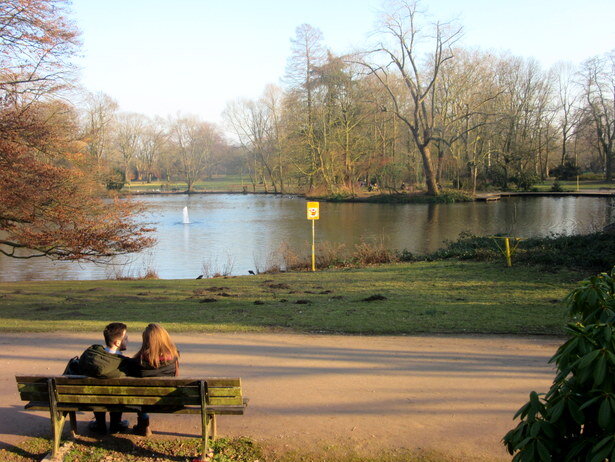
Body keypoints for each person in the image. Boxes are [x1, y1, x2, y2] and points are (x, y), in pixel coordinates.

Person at [78, 322, 132, 434]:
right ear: (117, 342)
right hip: (116, 400)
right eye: (126, 338)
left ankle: (100, 424)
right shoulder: (124, 363)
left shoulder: (91, 357)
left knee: (96, 392)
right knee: (118, 392)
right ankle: (115, 423)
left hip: (92, 399)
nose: (128, 340)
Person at [130, 323, 180, 436]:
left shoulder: (138, 362)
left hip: (144, 402)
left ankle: (144, 423)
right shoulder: (173, 358)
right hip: (167, 401)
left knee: (141, 393)